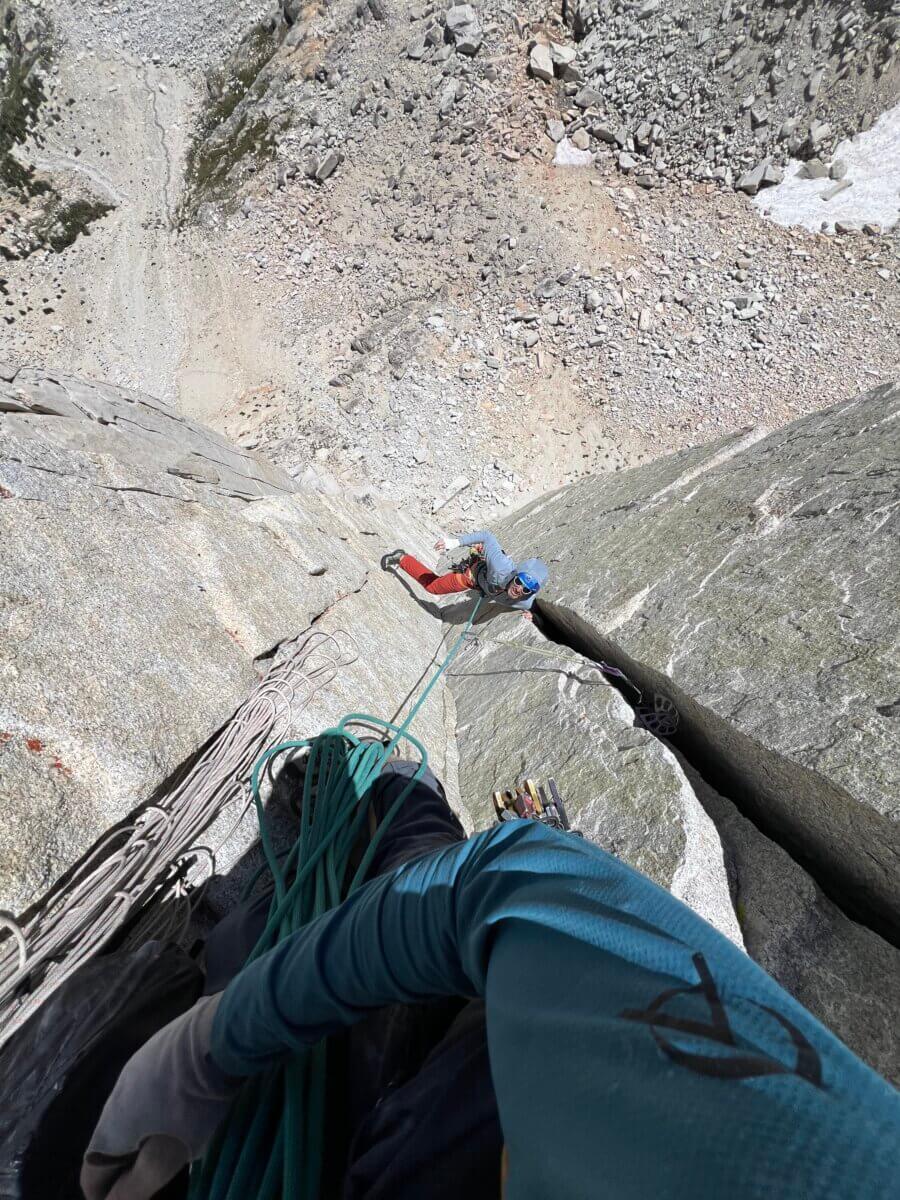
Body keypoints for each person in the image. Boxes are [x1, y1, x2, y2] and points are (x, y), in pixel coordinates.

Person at [81, 758, 900, 1200]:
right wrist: (211, 1045)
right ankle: (395, 785)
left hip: (429, 1121)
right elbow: (504, 884)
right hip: (474, 1062)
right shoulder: (797, 1158)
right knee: (415, 878)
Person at [381, 530, 548, 621]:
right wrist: (454, 542)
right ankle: (402, 558)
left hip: (484, 584)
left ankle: (403, 559)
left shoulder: (525, 601)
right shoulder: (501, 566)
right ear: (516, 574)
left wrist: (533, 617)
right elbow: (487, 536)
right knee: (433, 587)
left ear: (531, 593)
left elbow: (539, 610)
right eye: (519, 581)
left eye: (526, 590)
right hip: (472, 576)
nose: (519, 589)